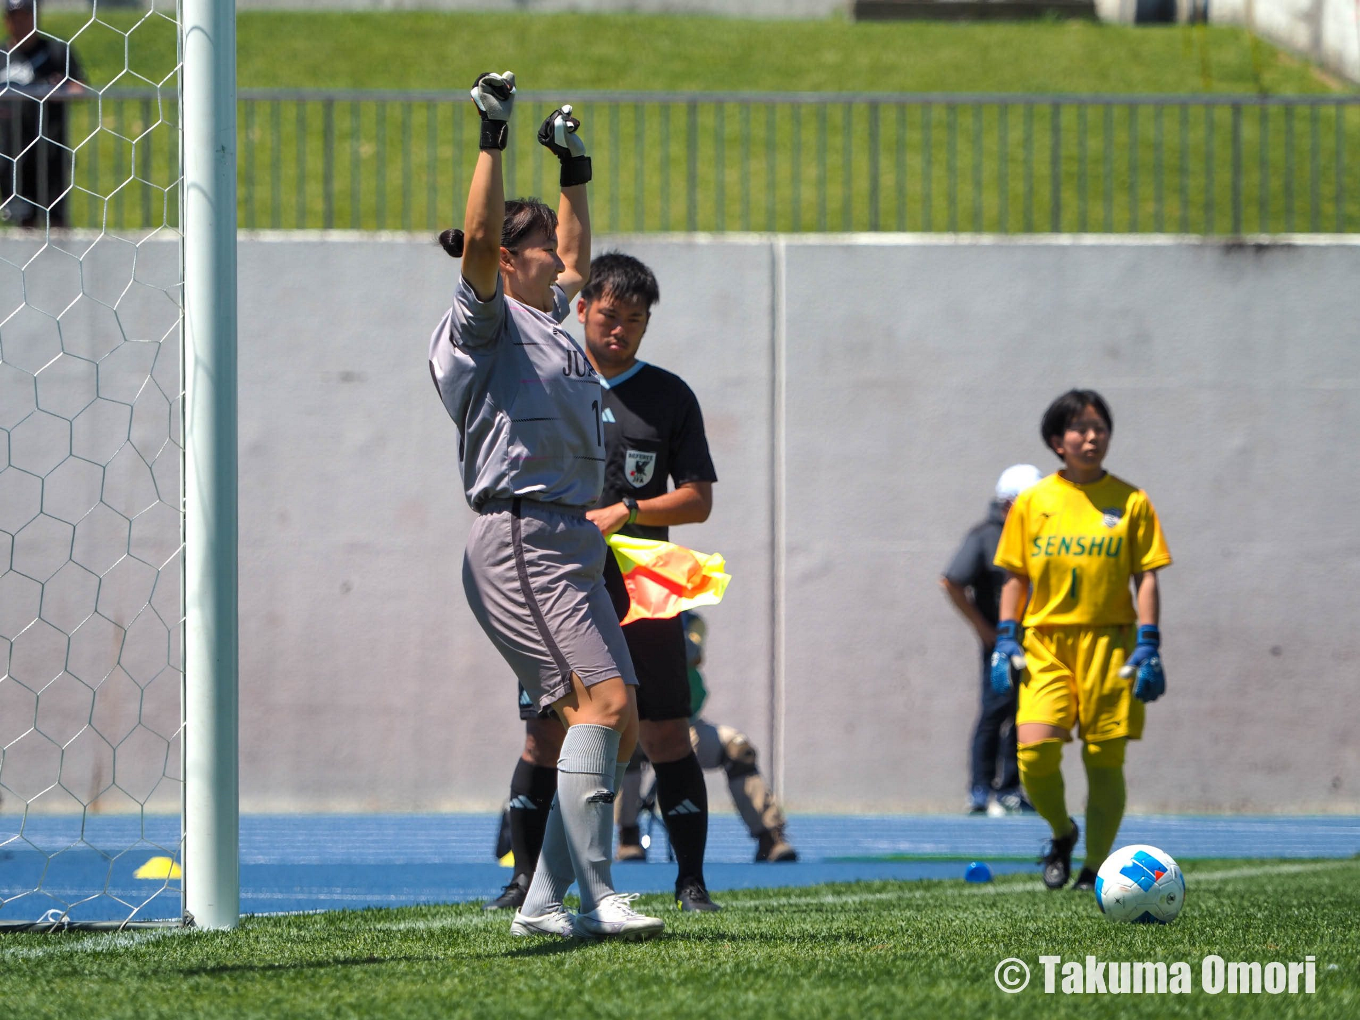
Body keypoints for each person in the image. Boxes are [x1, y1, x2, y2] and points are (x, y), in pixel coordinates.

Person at [428, 70, 662, 940]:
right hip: (523, 535)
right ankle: (597, 895)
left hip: (568, 542)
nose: (559, 263)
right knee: (596, 711)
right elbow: (482, 237)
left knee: (620, 725)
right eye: (537, 249)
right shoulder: (485, 320)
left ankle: (540, 902)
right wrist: (492, 136)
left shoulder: (551, 317)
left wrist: (575, 170)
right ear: (505, 256)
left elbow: (577, 254)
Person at [485, 249, 724, 915]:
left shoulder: (669, 396)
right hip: (559, 581)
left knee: (666, 732)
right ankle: (524, 884)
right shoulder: (546, 379)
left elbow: (699, 499)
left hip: (643, 590)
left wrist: (631, 509)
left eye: (636, 321)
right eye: (610, 315)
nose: (620, 330)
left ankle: (691, 883)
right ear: (582, 307)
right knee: (545, 736)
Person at [991, 389, 1172, 892]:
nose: (1092, 438)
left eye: (1100, 428)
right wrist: (1005, 638)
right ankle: (1061, 832)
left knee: (1104, 759)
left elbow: (1147, 575)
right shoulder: (1033, 502)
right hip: (1045, 644)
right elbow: (1014, 576)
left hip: (1112, 646)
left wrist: (1149, 643)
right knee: (1034, 754)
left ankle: (1095, 867)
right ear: (1057, 441)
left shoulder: (1132, 501)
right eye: (1080, 429)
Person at [614, 611, 797, 864]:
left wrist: (666, 623)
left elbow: (690, 652)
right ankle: (628, 836)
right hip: (638, 725)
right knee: (624, 749)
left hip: (684, 725)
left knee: (738, 749)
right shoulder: (624, 615)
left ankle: (770, 836)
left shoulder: (691, 621)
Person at [941, 464, 1042, 815]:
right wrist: (984, 629)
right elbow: (952, 581)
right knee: (995, 709)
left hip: (1039, 642)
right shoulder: (986, 536)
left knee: (1026, 713)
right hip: (1003, 642)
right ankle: (981, 788)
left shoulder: (1044, 534)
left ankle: (1011, 788)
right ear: (1009, 502)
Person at [1, 0, 86, 229]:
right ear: (6, 21)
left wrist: (59, 91)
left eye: (25, 17)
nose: (20, 23)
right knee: (23, 222)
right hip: (11, 153)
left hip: (51, 149)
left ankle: (62, 254)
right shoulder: (1, 55)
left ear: (36, 18)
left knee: (56, 221)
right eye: (14, 18)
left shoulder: (56, 51)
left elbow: (80, 88)